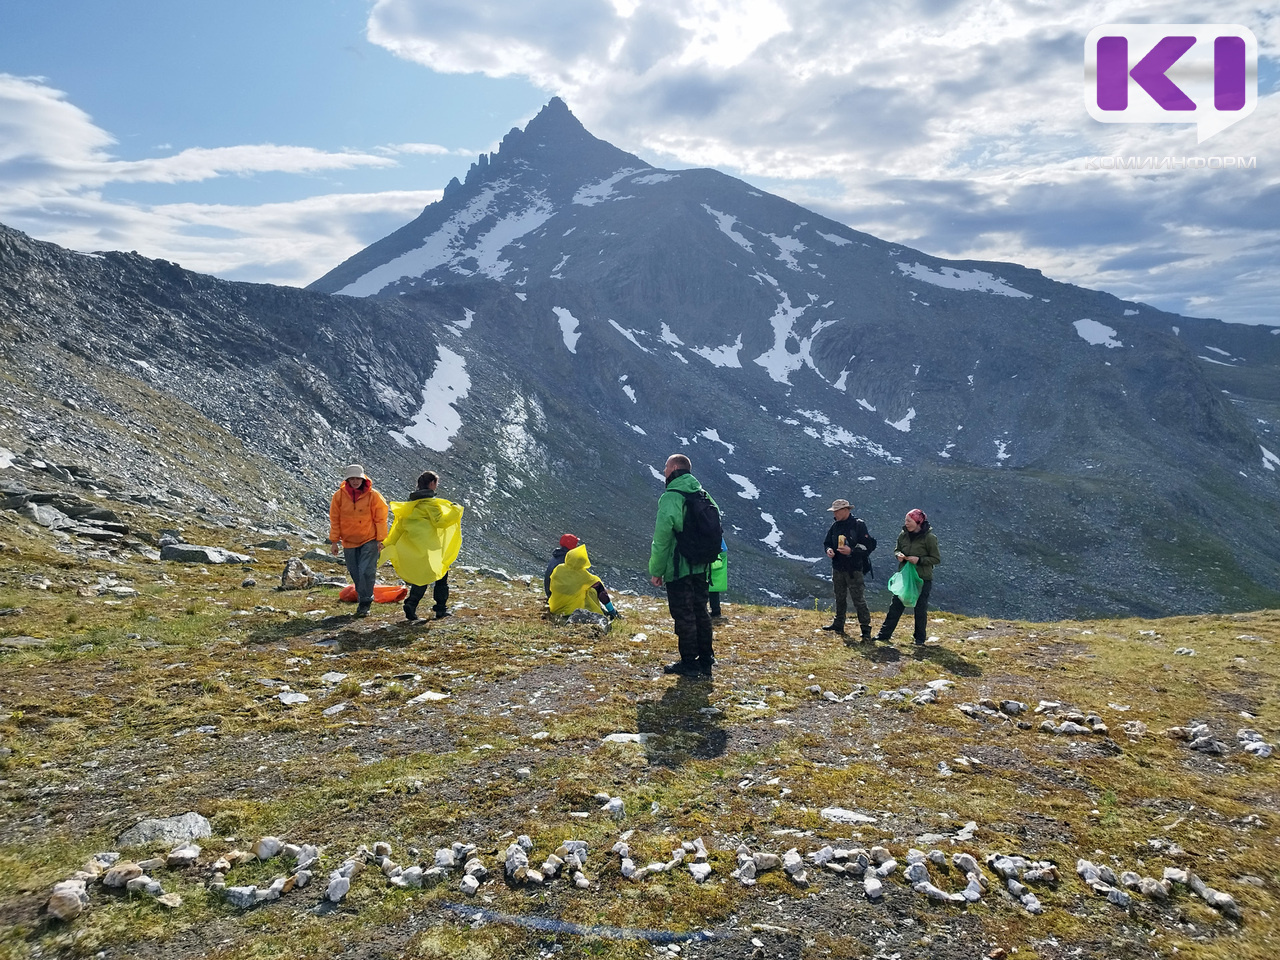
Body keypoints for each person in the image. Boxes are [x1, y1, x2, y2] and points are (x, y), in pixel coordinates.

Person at [649, 454, 720, 677]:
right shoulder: (703, 494)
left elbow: (662, 539)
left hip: (679, 568)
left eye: (666, 467)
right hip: (701, 565)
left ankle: (689, 663)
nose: (663, 472)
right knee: (701, 610)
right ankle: (706, 659)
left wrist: (657, 570)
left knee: (684, 614)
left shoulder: (671, 497)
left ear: (674, 469)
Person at [380, 470, 462, 621]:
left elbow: (398, 528)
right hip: (430, 548)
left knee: (422, 578)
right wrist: (456, 510)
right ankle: (440, 609)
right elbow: (441, 522)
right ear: (432, 484)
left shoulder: (410, 506)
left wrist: (386, 544)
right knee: (441, 576)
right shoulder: (431, 505)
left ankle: (411, 603)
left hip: (416, 548)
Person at [328, 463, 389, 618]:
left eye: (358, 478)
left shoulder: (374, 495)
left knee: (366, 571)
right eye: (352, 478)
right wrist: (334, 542)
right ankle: (363, 597)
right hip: (348, 541)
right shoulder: (339, 496)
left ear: (363, 479)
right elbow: (335, 519)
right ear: (347, 480)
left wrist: (381, 539)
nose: (355, 481)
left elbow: (381, 519)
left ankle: (365, 603)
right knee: (355, 572)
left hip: (369, 539)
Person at [873, 508, 941, 646]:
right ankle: (883, 635)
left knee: (920, 608)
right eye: (906, 520)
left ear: (918, 522)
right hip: (905, 577)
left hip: (921, 579)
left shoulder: (929, 538)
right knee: (896, 605)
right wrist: (898, 555)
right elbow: (897, 549)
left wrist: (919, 560)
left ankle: (919, 639)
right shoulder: (903, 535)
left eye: (909, 521)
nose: (906, 523)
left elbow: (936, 559)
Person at [820, 498, 876, 642]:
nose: (835, 514)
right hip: (838, 567)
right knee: (839, 596)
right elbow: (827, 542)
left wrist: (851, 551)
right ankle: (838, 624)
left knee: (858, 599)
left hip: (854, 569)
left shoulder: (858, 525)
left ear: (846, 510)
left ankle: (865, 629)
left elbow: (868, 546)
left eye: (837, 511)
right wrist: (829, 550)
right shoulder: (835, 525)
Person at [548, 542, 618, 618]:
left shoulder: (559, 568)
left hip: (555, 607)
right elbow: (598, 585)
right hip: (571, 610)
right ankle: (612, 612)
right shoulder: (582, 575)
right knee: (593, 590)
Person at [544, 534, 579, 598]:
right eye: (575, 543)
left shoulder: (557, 554)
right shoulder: (567, 559)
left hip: (549, 591)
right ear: (571, 545)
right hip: (556, 595)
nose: (576, 546)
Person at [707, 539, 728, 622]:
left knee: (705, 581)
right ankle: (716, 610)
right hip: (720, 549)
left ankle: (706, 610)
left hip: (711, 550)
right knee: (714, 583)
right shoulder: (714, 527)